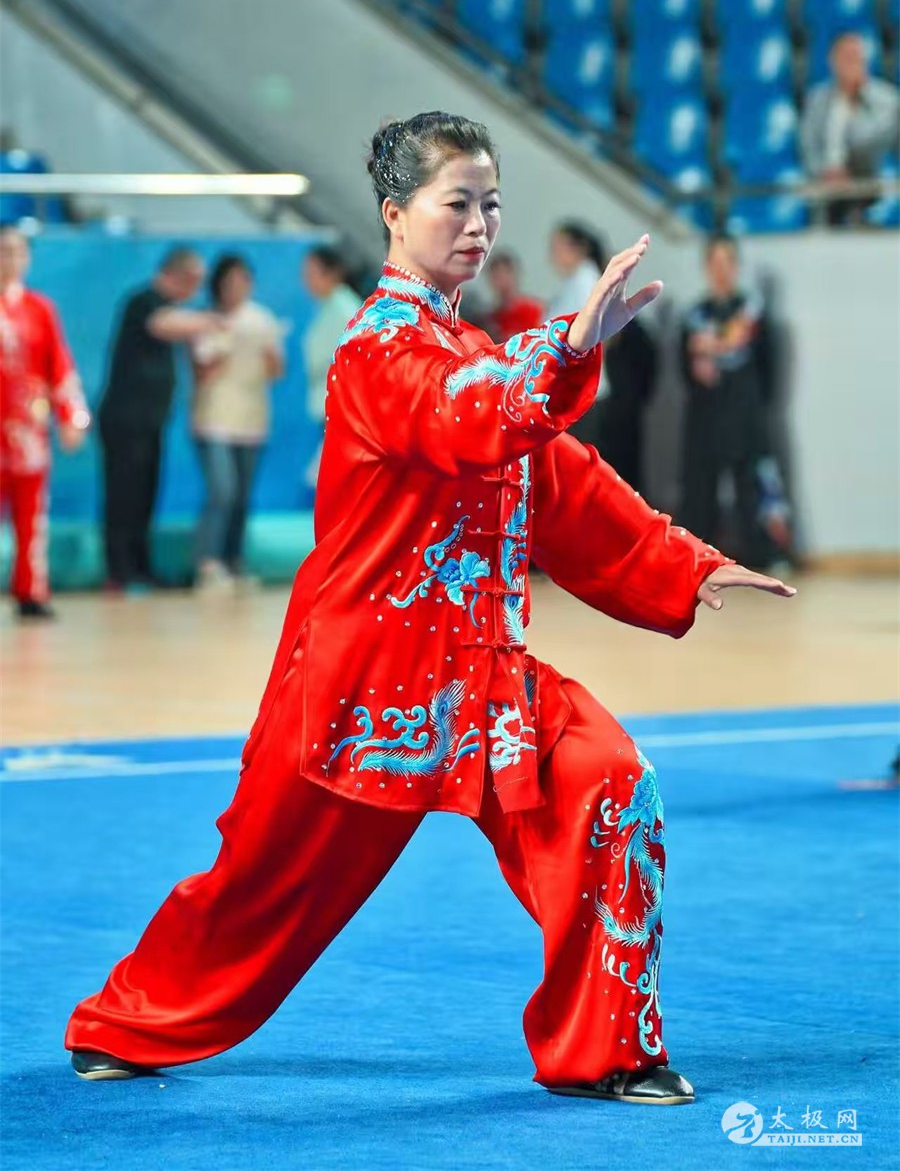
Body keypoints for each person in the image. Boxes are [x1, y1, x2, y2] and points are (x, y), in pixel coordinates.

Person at [66, 111, 795, 1105]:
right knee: (260, 889)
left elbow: (557, 480)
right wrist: (566, 350)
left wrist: (684, 563)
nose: (479, 225)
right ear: (395, 213)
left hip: (484, 675)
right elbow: (469, 413)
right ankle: (125, 1023)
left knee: (611, 784)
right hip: (365, 686)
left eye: (491, 205)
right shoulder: (376, 352)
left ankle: (607, 1050)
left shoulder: (468, 346)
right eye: (458, 204)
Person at [97, 247, 217, 591]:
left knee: (145, 495)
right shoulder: (143, 301)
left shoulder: (171, 309)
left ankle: (140, 567)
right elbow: (164, 324)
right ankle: (119, 571)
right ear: (178, 275)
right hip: (126, 422)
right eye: (194, 281)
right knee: (124, 495)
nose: (196, 290)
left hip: (151, 422)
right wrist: (217, 320)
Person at [679, 234, 787, 569]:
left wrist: (754, 403)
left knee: (754, 488)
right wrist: (697, 372)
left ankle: (764, 557)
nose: (721, 269)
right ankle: (697, 560)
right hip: (706, 417)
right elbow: (682, 368)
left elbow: (769, 368)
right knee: (699, 492)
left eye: (727, 262)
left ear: (736, 266)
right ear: (706, 267)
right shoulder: (694, 316)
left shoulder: (753, 314)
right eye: (715, 262)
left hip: (746, 416)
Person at [0, 225, 90, 619]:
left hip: (27, 434)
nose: (9, 259)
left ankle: (31, 590)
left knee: (31, 516)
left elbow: (60, 367)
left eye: (17, 251)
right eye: (3, 251)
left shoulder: (40, 309)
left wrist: (72, 417)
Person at [191, 254, 285, 591]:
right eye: (229, 282)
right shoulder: (207, 321)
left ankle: (233, 561)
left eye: (242, 281)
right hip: (214, 419)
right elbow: (201, 372)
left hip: (251, 421)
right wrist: (222, 349)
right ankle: (207, 562)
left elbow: (276, 370)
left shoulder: (261, 320)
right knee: (223, 490)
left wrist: (268, 355)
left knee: (242, 495)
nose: (236, 288)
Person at [548, 222, 658, 489]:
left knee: (582, 477)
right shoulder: (574, 282)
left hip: (584, 393)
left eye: (558, 246)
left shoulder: (586, 279)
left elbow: (599, 332)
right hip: (571, 391)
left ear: (577, 248)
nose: (552, 254)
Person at [800, 32, 900, 225]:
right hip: (826, 183)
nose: (852, 63)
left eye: (856, 57)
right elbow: (807, 144)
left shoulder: (887, 100)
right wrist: (823, 171)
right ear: (832, 61)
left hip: (870, 182)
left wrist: (854, 98)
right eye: (845, 58)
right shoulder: (817, 99)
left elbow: (869, 141)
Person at [300, 245, 361, 487]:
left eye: (312, 273)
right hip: (330, 404)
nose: (307, 280)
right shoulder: (330, 306)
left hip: (341, 407)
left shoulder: (345, 308)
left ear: (333, 273)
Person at [483, 249, 544, 343]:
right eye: (497, 275)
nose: (502, 279)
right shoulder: (490, 320)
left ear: (515, 275)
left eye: (506, 273)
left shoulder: (534, 310)